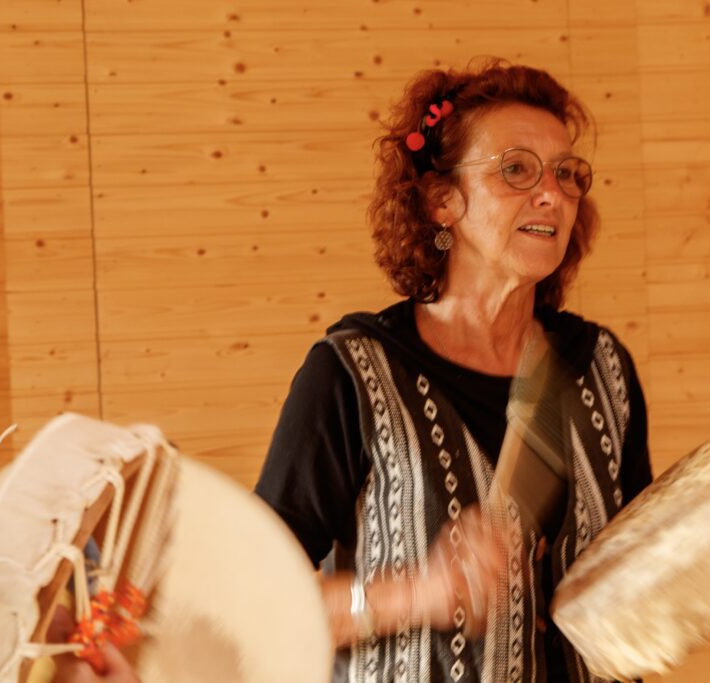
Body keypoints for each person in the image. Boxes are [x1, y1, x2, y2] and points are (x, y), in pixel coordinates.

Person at [255, 58, 653, 683]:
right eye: (516, 169)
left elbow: (642, 577)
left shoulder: (602, 368)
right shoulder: (351, 375)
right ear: (443, 202)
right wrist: (418, 594)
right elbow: (251, 602)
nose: (552, 194)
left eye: (567, 174)